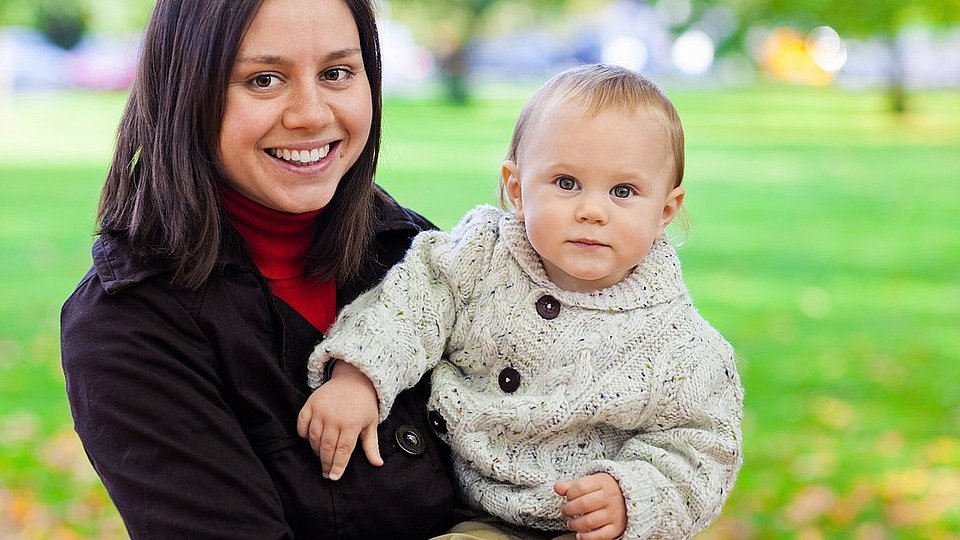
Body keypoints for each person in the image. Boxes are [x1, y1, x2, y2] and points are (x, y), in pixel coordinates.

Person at [59, 0, 458, 538]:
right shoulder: (127, 326)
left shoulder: (416, 253)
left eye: (337, 73)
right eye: (264, 80)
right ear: (186, 91)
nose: (311, 114)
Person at [298, 64, 744, 540]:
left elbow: (702, 448)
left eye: (623, 191)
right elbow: (409, 305)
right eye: (566, 183)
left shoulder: (682, 347)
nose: (592, 211)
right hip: (465, 505)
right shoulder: (479, 257)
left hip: (585, 527)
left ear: (665, 211)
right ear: (517, 188)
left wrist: (632, 495)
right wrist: (359, 375)